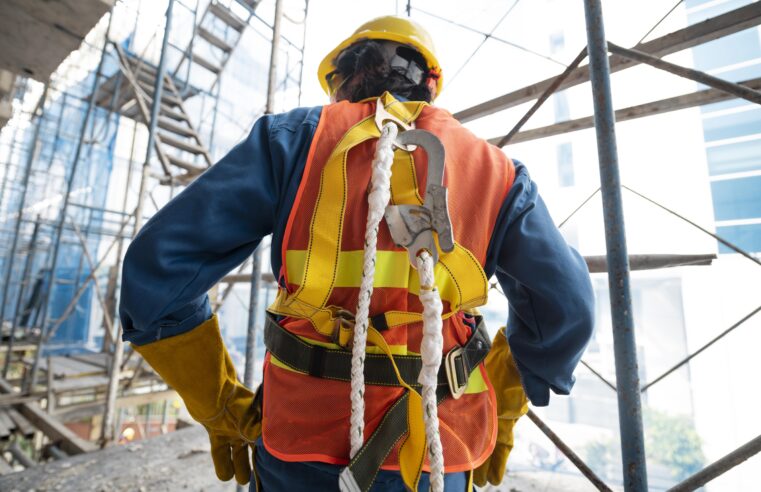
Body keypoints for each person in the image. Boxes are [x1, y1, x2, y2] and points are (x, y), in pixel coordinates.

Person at [119, 15, 594, 492]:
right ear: (429, 83)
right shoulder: (494, 170)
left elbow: (158, 269)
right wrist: (508, 398)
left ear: (341, 81)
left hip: (300, 442)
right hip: (439, 447)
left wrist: (216, 401)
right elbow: (567, 305)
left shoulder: (291, 142)